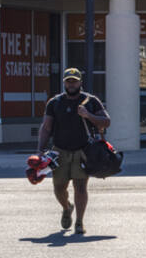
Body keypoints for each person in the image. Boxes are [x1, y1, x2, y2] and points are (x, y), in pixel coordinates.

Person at [36, 67, 110, 235]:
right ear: (64, 83)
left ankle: (79, 222)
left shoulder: (91, 101)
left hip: (83, 151)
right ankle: (67, 207)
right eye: (68, 81)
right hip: (59, 151)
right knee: (59, 188)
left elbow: (106, 121)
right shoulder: (55, 102)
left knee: (81, 187)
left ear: (80, 83)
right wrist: (40, 150)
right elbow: (46, 128)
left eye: (74, 81)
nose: (71, 84)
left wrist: (88, 115)